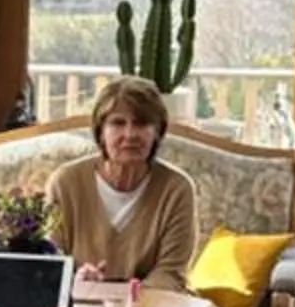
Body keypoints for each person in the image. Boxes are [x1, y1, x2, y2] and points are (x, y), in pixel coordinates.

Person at [45, 75, 198, 289]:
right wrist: (76, 280)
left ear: (157, 133)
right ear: (101, 132)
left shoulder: (177, 189)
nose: (130, 134)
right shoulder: (65, 183)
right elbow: (51, 261)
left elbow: (171, 273)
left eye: (142, 123)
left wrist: (123, 299)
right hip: (80, 305)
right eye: (118, 123)